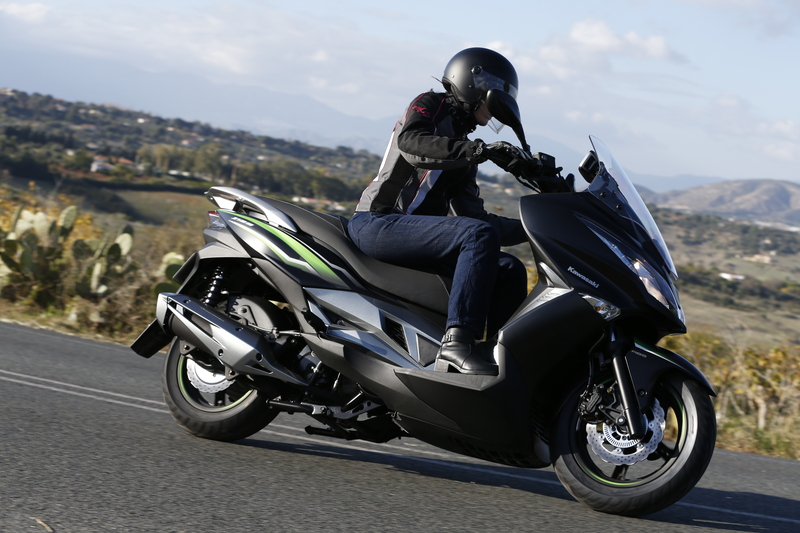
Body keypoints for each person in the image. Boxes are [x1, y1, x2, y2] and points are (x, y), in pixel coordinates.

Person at [348, 47, 529, 376]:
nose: (495, 109)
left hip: (410, 238)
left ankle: (498, 355)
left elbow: (478, 219)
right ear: (474, 84)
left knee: (509, 269)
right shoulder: (429, 104)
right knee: (477, 236)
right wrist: (476, 151)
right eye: (494, 97)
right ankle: (456, 346)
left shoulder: (465, 149)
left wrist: (532, 228)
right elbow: (412, 143)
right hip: (377, 222)